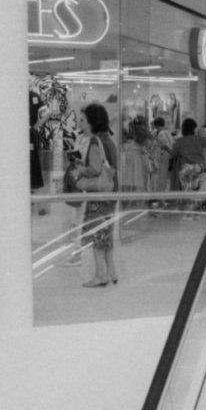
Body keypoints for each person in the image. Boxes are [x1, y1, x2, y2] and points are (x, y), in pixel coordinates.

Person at [75, 102, 118, 287]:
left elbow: (94, 168)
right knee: (106, 236)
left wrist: (80, 170)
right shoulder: (109, 140)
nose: (80, 123)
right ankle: (111, 272)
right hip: (111, 193)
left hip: (98, 195)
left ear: (92, 121)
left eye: (83, 120)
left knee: (97, 236)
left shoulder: (95, 142)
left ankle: (100, 275)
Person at [169, 117, 206, 199]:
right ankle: (198, 207)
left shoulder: (179, 141)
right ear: (194, 128)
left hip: (186, 169)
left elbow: (173, 154)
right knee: (199, 191)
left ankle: (189, 208)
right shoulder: (199, 139)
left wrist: (166, 148)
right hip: (199, 167)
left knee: (187, 192)